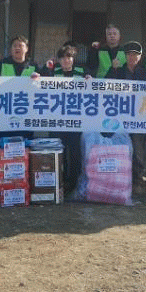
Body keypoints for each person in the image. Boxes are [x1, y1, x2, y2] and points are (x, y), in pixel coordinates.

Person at [0, 35, 40, 191]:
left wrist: (40, 78)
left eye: (21, 45)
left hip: (26, 116)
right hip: (2, 116)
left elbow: (45, 86)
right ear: (10, 50)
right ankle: (0, 182)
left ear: (27, 49)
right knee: (1, 149)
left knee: (23, 149)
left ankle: (23, 182)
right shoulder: (1, 64)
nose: (18, 48)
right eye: (14, 45)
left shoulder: (34, 66)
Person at [105, 41, 146, 184]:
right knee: (120, 147)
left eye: (135, 55)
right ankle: (120, 179)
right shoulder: (118, 71)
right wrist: (112, 69)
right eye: (129, 55)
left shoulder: (144, 73)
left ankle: (137, 179)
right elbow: (105, 86)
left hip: (139, 117)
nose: (132, 57)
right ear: (125, 56)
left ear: (140, 57)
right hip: (120, 116)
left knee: (138, 150)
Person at [44, 45, 88, 193]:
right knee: (58, 152)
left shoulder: (82, 72)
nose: (66, 60)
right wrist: (44, 70)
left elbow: (92, 86)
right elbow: (40, 83)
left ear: (73, 59)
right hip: (56, 120)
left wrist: (90, 80)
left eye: (68, 57)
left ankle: (74, 183)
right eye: (62, 58)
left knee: (75, 152)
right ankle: (59, 181)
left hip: (75, 120)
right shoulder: (52, 71)